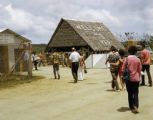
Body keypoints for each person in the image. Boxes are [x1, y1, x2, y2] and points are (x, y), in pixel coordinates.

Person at [122, 46, 141, 113]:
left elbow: (123, 69)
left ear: (129, 51)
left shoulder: (127, 59)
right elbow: (139, 70)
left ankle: (131, 106)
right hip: (136, 78)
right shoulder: (138, 59)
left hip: (128, 78)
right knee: (136, 93)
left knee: (130, 93)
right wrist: (139, 77)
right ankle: (136, 106)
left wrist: (123, 76)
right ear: (136, 52)